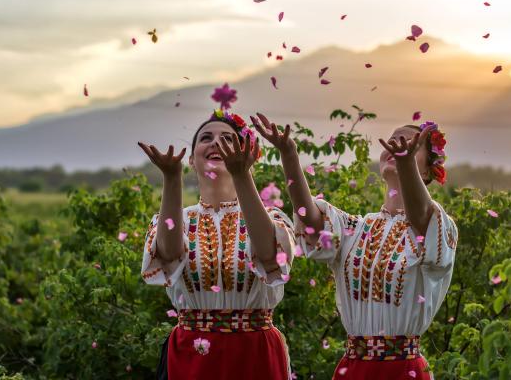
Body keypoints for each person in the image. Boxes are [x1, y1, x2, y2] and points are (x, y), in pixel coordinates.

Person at [252, 113, 457, 379]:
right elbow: (310, 220)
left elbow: (421, 216)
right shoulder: (357, 228)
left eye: (410, 143)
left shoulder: (439, 227)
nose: (397, 145)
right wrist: (289, 154)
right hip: (354, 367)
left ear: (428, 170)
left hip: (403, 369)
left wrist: (406, 167)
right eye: (393, 140)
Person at [138, 85, 295, 380]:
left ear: (247, 155)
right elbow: (169, 254)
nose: (216, 143)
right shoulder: (177, 219)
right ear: (191, 159)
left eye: (228, 139)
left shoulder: (271, 218)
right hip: (194, 356)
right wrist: (171, 180)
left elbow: (268, 254)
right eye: (206, 138)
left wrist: (241, 175)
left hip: (255, 353)